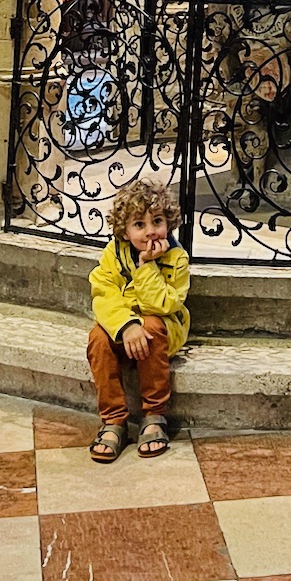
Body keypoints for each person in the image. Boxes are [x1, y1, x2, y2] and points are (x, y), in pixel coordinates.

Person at [87, 179, 190, 461]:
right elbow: (103, 293)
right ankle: (113, 420)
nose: (150, 232)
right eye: (139, 224)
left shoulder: (176, 258)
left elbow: (164, 305)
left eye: (157, 221)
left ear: (169, 223)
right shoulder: (114, 254)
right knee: (98, 338)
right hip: (124, 325)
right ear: (124, 230)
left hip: (162, 327)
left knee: (153, 326)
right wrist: (127, 325)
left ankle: (154, 413)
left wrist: (147, 267)